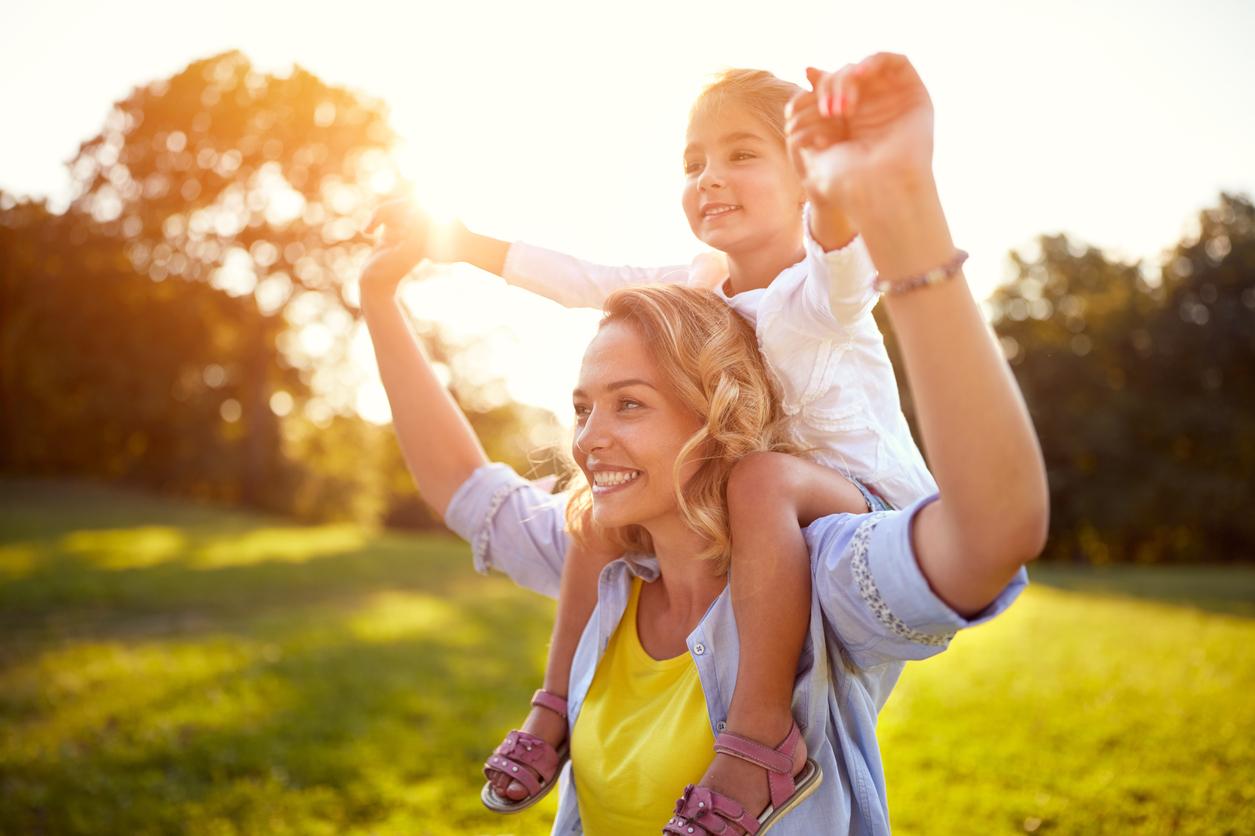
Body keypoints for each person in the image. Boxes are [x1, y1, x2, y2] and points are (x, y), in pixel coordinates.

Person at [360, 52, 1049, 834]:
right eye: (693, 163)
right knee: (594, 509)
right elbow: (583, 284)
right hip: (744, 492)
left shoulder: (817, 290)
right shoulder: (699, 287)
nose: (709, 178)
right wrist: (444, 249)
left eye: (741, 155)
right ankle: (550, 708)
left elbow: (841, 245)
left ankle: (757, 737)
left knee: (756, 482)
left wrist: (837, 185)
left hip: (858, 500)